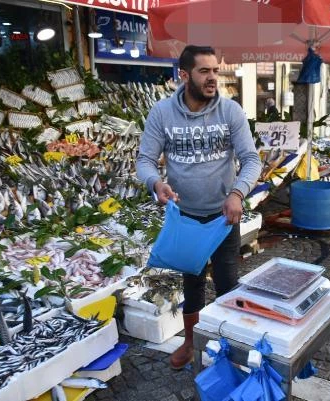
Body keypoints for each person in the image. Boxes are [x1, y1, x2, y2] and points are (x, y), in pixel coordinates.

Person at [136, 45, 262, 370]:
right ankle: (191, 343)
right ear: (184, 75)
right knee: (191, 282)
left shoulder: (230, 111)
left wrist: (237, 193)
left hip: (223, 217)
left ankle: (229, 350)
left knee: (226, 283)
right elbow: (146, 160)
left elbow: (251, 160)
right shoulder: (162, 113)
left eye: (215, 71)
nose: (212, 78)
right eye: (204, 71)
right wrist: (155, 183)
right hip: (185, 217)